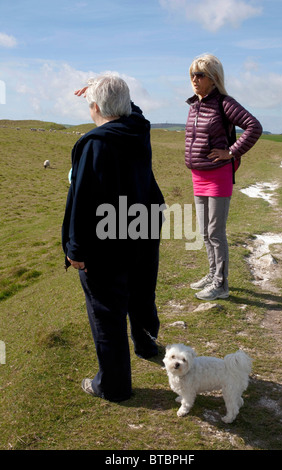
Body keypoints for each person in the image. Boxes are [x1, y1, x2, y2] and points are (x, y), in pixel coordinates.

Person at [62, 74, 164, 402]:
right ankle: (147, 343)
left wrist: (75, 248)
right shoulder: (138, 128)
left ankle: (113, 385)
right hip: (141, 228)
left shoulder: (95, 142)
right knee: (140, 290)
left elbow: (82, 199)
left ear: (95, 106)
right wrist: (106, 89)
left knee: (106, 308)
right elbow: (132, 110)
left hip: (106, 241)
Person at [185, 54, 262, 301]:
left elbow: (254, 126)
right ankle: (211, 275)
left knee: (216, 232)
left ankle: (221, 284)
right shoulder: (195, 105)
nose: (195, 80)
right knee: (205, 233)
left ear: (214, 79)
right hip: (198, 176)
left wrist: (231, 152)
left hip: (218, 176)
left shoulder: (224, 103)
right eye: (192, 74)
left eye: (200, 75)